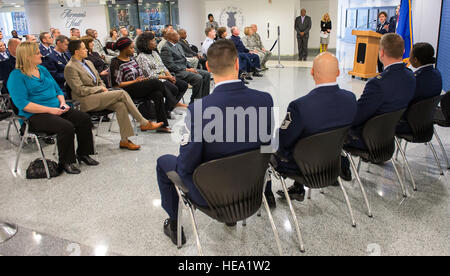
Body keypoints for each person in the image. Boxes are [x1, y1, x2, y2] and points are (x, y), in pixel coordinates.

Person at [156, 40, 275, 244]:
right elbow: (268, 146)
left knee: (163, 162)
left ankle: (174, 223)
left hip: (212, 197)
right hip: (252, 189)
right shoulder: (265, 99)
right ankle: (232, 218)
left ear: (208, 67)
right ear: (238, 64)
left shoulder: (199, 109)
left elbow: (186, 165)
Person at [272, 52, 357, 201]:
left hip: (303, 167)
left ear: (312, 72)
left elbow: (284, 141)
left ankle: (288, 190)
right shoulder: (351, 99)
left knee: (275, 143)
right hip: (332, 162)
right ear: (338, 72)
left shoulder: (300, 106)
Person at [7, 42, 97, 174]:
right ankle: (66, 162)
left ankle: (83, 154)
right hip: (33, 116)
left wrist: (62, 103)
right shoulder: (16, 76)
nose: (41, 55)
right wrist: (50, 110)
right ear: (27, 56)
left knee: (83, 118)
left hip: (56, 108)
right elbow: (23, 104)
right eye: (37, 53)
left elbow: (58, 90)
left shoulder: (42, 70)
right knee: (66, 127)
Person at [340, 34, 416, 180]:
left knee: (335, 127)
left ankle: (341, 168)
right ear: (403, 51)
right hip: (387, 138)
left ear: (381, 53)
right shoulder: (410, 76)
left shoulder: (378, 83)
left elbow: (358, 116)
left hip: (368, 139)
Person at [64, 40, 162, 151]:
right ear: (76, 52)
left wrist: (101, 86)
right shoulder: (70, 67)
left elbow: (99, 79)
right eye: (83, 48)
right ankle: (143, 122)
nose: (86, 50)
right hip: (84, 100)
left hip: (98, 96)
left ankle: (125, 141)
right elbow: (79, 90)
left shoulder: (88, 63)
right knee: (121, 93)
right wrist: (99, 89)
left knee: (120, 105)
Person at [110, 37, 172, 133]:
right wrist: (135, 81)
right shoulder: (116, 62)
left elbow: (140, 75)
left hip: (138, 86)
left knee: (157, 93)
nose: (133, 50)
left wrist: (143, 79)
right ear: (124, 49)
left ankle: (162, 125)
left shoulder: (132, 59)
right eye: (131, 48)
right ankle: (172, 102)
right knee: (156, 82)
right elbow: (117, 84)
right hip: (126, 90)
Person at [135, 32, 188, 115]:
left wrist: (170, 76)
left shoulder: (154, 53)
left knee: (183, 85)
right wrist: (167, 78)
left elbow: (163, 66)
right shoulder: (141, 57)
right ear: (146, 43)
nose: (155, 41)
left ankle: (169, 108)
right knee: (174, 89)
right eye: (153, 40)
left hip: (164, 77)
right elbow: (149, 75)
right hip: (155, 80)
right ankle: (168, 108)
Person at [396, 42, 443, 134]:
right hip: (427, 120)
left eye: (410, 56)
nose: (409, 59)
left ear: (416, 60)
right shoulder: (437, 74)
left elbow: (402, 102)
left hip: (410, 122)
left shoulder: (415, 80)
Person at [160, 30, 211, 104]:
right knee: (198, 78)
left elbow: (184, 59)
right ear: (171, 37)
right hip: (177, 72)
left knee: (206, 74)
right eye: (177, 35)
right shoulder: (166, 48)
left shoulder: (178, 45)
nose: (179, 36)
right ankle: (194, 102)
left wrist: (191, 67)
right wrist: (187, 69)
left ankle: (204, 99)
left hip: (184, 69)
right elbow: (170, 66)